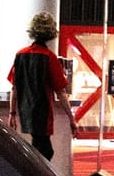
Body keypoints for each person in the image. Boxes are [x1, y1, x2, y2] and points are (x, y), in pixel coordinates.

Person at [7, 12, 69, 162]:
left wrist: (12, 113)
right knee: (45, 151)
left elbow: (14, 87)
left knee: (39, 148)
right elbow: (60, 91)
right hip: (42, 111)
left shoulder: (21, 55)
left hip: (25, 109)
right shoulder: (49, 57)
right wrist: (71, 117)